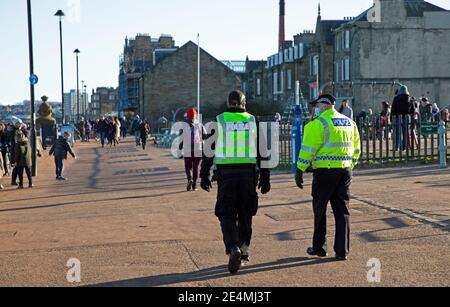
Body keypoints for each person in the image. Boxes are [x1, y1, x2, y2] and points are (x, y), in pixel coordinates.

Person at [200, 90, 271, 274]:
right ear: (244, 103)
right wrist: (265, 177)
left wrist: (204, 175)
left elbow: (208, 151)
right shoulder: (252, 120)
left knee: (226, 213)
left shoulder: (219, 120)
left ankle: (233, 247)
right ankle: (244, 251)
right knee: (246, 214)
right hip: (248, 175)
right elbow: (263, 152)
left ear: (228, 103)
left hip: (226, 176)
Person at [295, 94, 361, 261]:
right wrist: (349, 165)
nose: (313, 109)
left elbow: (308, 149)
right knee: (342, 211)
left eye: (315, 105)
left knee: (320, 209)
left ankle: (319, 247)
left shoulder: (318, 124)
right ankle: (342, 251)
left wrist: (300, 169)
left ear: (323, 105)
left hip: (324, 173)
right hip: (345, 171)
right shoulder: (349, 122)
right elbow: (357, 149)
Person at [180, 108, 206, 191]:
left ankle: (189, 179)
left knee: (188, 166)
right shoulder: (199, 124)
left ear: (187, 116)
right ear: (195, 116)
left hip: (187, 148)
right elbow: (205, 136)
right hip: (198, 148)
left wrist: (180, 146)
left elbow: (181, 137)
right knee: (196, 167)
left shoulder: (184, 125)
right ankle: (194, 185)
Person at [391, 85, 411, 151]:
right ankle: (404, 147)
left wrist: (392, 117)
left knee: (397, 133)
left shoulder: (396, 98)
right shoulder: (409, 98)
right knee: (405, 133)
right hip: (406, 117)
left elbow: (393, 108)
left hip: (397, 117)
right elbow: (413, 109)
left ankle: (397, 147)